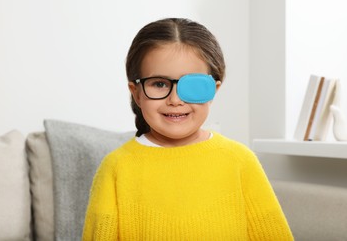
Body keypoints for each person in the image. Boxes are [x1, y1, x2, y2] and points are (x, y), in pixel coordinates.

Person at [82, 18, 293, 240]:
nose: (175, 99)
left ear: (213, 90)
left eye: (191, 86)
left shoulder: (240, 161)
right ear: (136, 93)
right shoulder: (116, 168)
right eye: (159, 84)